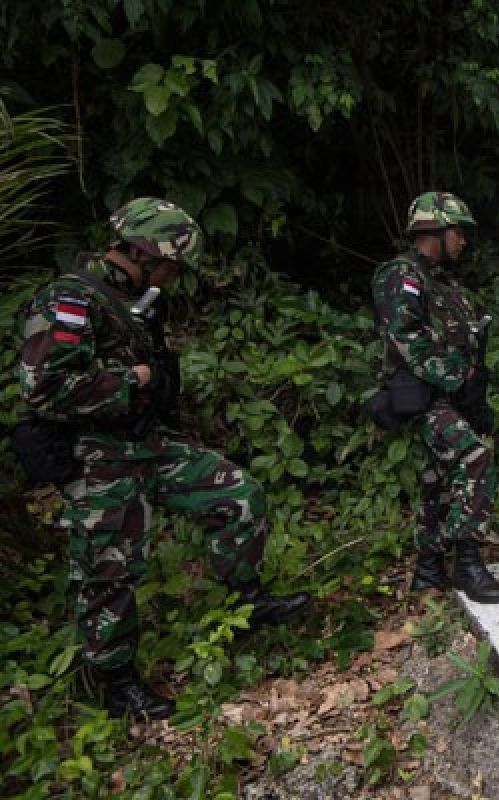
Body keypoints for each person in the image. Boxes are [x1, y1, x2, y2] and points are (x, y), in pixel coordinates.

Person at [16, 198, 310, 721]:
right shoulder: (71, 299)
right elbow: (44, 388)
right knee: (110, 570)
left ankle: (248, 597)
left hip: (147, 444)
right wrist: (135, 381)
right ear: (148, 254)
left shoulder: (134, 304)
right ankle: (117, 680)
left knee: (237, 492)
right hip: (97, 456)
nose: (175, 278)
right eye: (174, 267)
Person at [371, 191, 499, 604]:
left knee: (437, 482)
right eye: (458, 233)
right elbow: (406, 338)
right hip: (424, 395)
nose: (463, 242)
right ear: (436, 229)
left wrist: (473, 390)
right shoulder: (401, 276)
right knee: (474, 459)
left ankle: (428, 571)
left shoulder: (447, 287)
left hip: (448, 397)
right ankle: (467, 563)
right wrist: (456, 376)